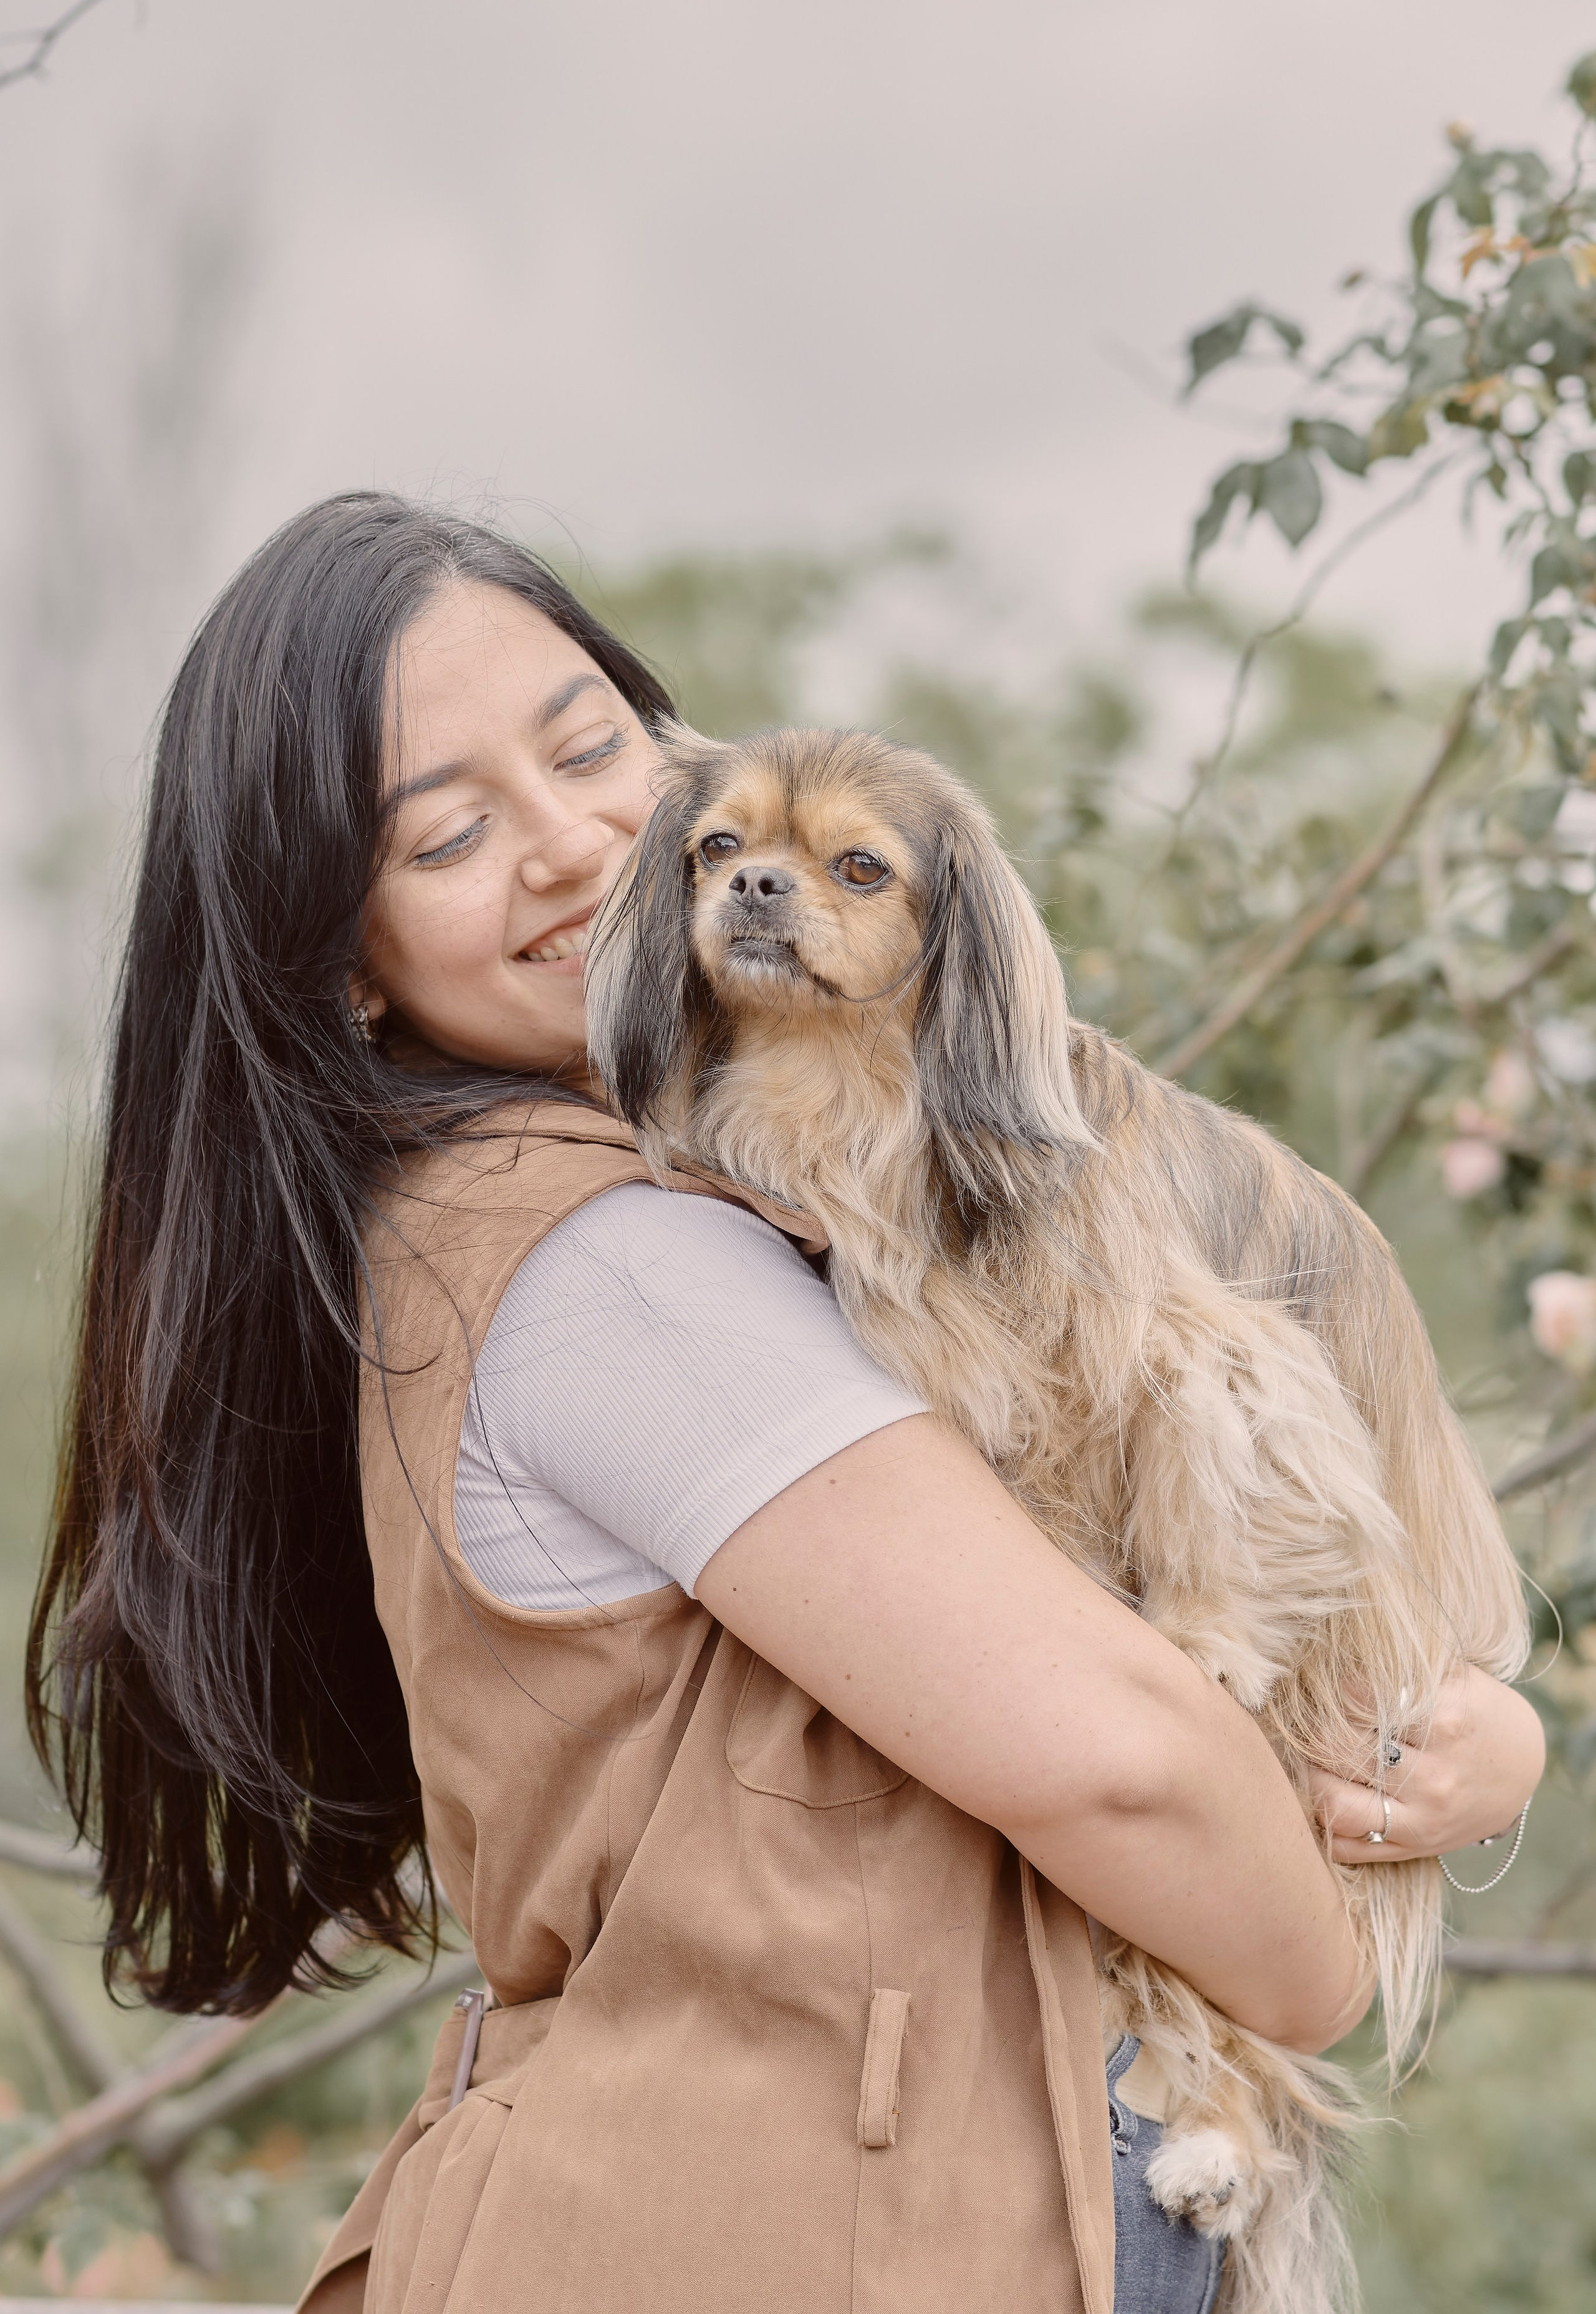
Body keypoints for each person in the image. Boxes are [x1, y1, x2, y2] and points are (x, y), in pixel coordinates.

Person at [27, 494, 1545, 2314]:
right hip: (800, 2225)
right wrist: (1317, 1971)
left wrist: (1443, 1742)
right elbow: (1121, 1756)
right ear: (343, 958)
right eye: (449, 837)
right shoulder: (610, 1269)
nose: (578, 842)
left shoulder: (738, 1198)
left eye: (595, 750)